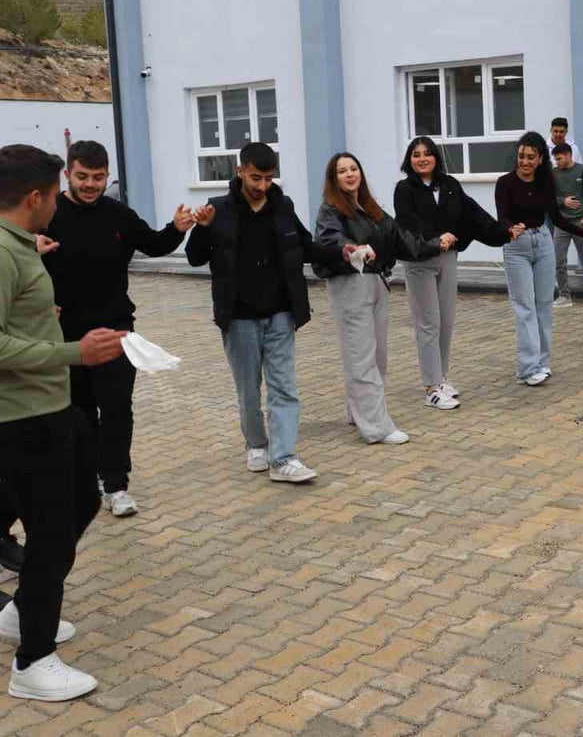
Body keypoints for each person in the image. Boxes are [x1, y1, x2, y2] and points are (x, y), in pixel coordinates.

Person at [0, 143, 125, 701]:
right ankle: (33, 661)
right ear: (34, 198)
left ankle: (21, 612)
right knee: (50, 536)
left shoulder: (21, 246)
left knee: (85, 500)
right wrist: (75, 352)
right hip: (23, 417)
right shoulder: (2, 253)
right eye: (54, 194)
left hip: (53, 407)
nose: (59, 203)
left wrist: (43, 323)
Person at [39, 140, 196, 519]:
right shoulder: (46, 215)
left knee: (116, 410)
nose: (90, 184)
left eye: (98, 177)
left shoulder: (118, 214)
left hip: (116, 330)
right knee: (77, 412)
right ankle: (87, 478)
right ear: (68, 175)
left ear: (107, 175)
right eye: (82, 177)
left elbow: (154, 245)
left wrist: (176, 229)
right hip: (65, 335)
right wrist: (32, 250)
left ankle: (116, 485)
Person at [186, 143, 344, 482]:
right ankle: (255, 443)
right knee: (248, 388)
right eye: (255, 177)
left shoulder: (282, 206)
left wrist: (344, 252)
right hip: (239, 314)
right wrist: (201, 228)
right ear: (240, 170)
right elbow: (195, 258)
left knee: (284, 386)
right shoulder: (219, 209)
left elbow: (304, 246)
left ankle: (284, 458)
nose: (261, 185)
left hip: (281, 312)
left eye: (268, 178)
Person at [315, 153, 437, 442]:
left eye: (353, 168)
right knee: (361, 356)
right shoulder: (330, 210)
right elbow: (331, 239)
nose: (349, 174)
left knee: (377, 355)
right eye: (342, 171)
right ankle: (376, 427)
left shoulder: (370, 209)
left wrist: (435, 243)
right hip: (351, 284)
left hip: (377, 283)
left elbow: (401, 240)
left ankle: (358, 411)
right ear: (334, 179)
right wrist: (353, 248)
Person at [394, 136, 515, 410]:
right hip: (420, 261)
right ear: (409, 160)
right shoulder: (404, 189)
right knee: (429, 323)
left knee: (446, 321)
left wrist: (503, 232)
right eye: (416, 154)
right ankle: (431, 387)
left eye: (427, 154)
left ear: (436, 157)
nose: (421, 159)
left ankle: (441, 377)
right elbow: (408, 221)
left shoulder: (449, 185)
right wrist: (436, 238)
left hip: (448, 259)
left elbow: (473, 214)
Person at [495, 132, 583, 385]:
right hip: (517, 246)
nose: (525, 162)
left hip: (543, 243)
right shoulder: (504, 183)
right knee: (524, 307)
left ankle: (542, 363)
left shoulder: (545, 182)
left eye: (530, 157)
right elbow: (502, 216)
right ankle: (527, 369)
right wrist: (509, 228)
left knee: (543, 305)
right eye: (521, 157)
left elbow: (557, 218)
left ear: (540, 159)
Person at [550, 142, 583, 307]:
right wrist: (563, 201)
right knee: (558, 260)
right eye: (555, 159)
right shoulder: (553, 174)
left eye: (559, 159)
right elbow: (548, 198)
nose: (557, 162)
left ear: (569, 155)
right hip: (561, 224)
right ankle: (564, 296)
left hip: (581, 223)